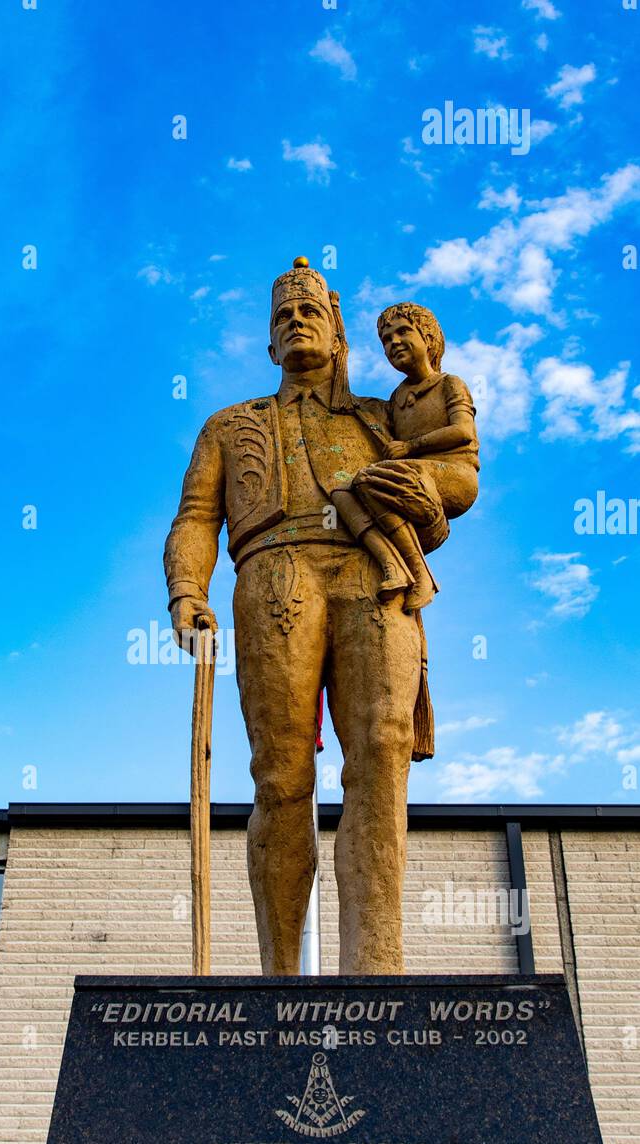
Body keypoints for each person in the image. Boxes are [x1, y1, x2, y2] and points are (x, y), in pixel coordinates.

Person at [164, 259, 478, 975]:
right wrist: (187, 590)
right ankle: (280, 977)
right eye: (282, 319)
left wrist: (426, 499)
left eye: (309, 313)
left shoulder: (384, 416)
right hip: (275, 575)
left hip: (376, 578)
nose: (295, 323)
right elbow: (194, 517)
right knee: (280, 775)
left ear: (338, 333)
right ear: (270, 347)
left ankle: (377, 968)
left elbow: (456, 477)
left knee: (381, 756)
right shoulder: (230, 424)